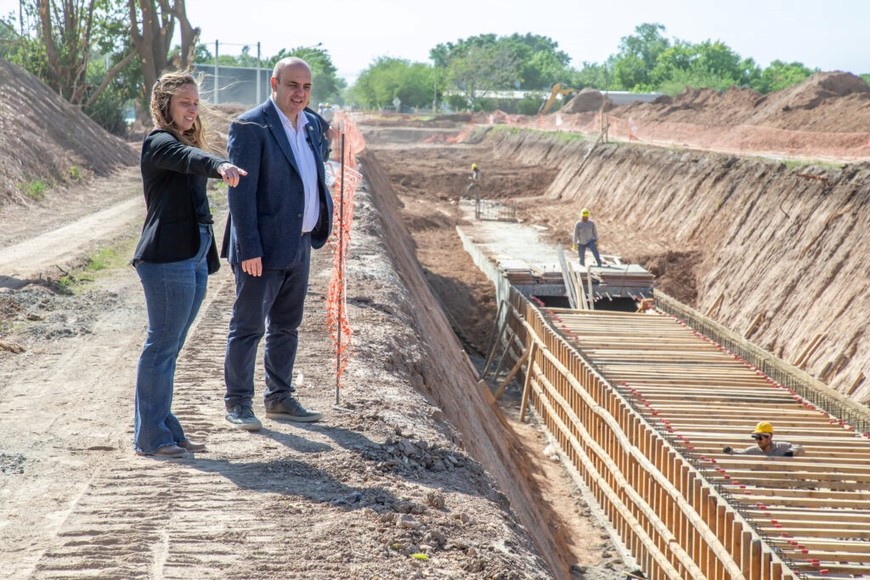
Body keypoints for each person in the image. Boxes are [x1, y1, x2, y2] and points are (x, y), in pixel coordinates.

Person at [132, 70, 247, 457]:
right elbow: (189, 158)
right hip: (167, 257)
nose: (193, 109)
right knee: (161, 346)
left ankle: (164, 426)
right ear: (165, 105)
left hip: (194, 254)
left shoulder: (183, 140)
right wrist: (218, 166)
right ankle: (151, 436)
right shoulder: (159, 142)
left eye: (195, 102)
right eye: (185, 102)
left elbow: (193, 155)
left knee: (172, 346)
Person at [221, 57, 333, 431]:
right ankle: (238, 403)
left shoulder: (312, 124)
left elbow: (314, 166)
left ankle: (280, 398)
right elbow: (241, 195)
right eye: (292, 85)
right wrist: (249, 248)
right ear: (274, 83)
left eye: (306, 87)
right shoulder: (251, 125)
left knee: (287, 325)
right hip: (262, 249)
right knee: (248, 326)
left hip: (299, 243)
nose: (300, 93)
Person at [722, 421, 804, 457]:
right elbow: (738, 454)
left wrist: (790, 452)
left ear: (770, 436)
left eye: (760, 438)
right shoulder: (752, 451)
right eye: (756, 438)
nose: (758, 441)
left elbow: (800, 448)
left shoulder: (782, 447)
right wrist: (729, 451)